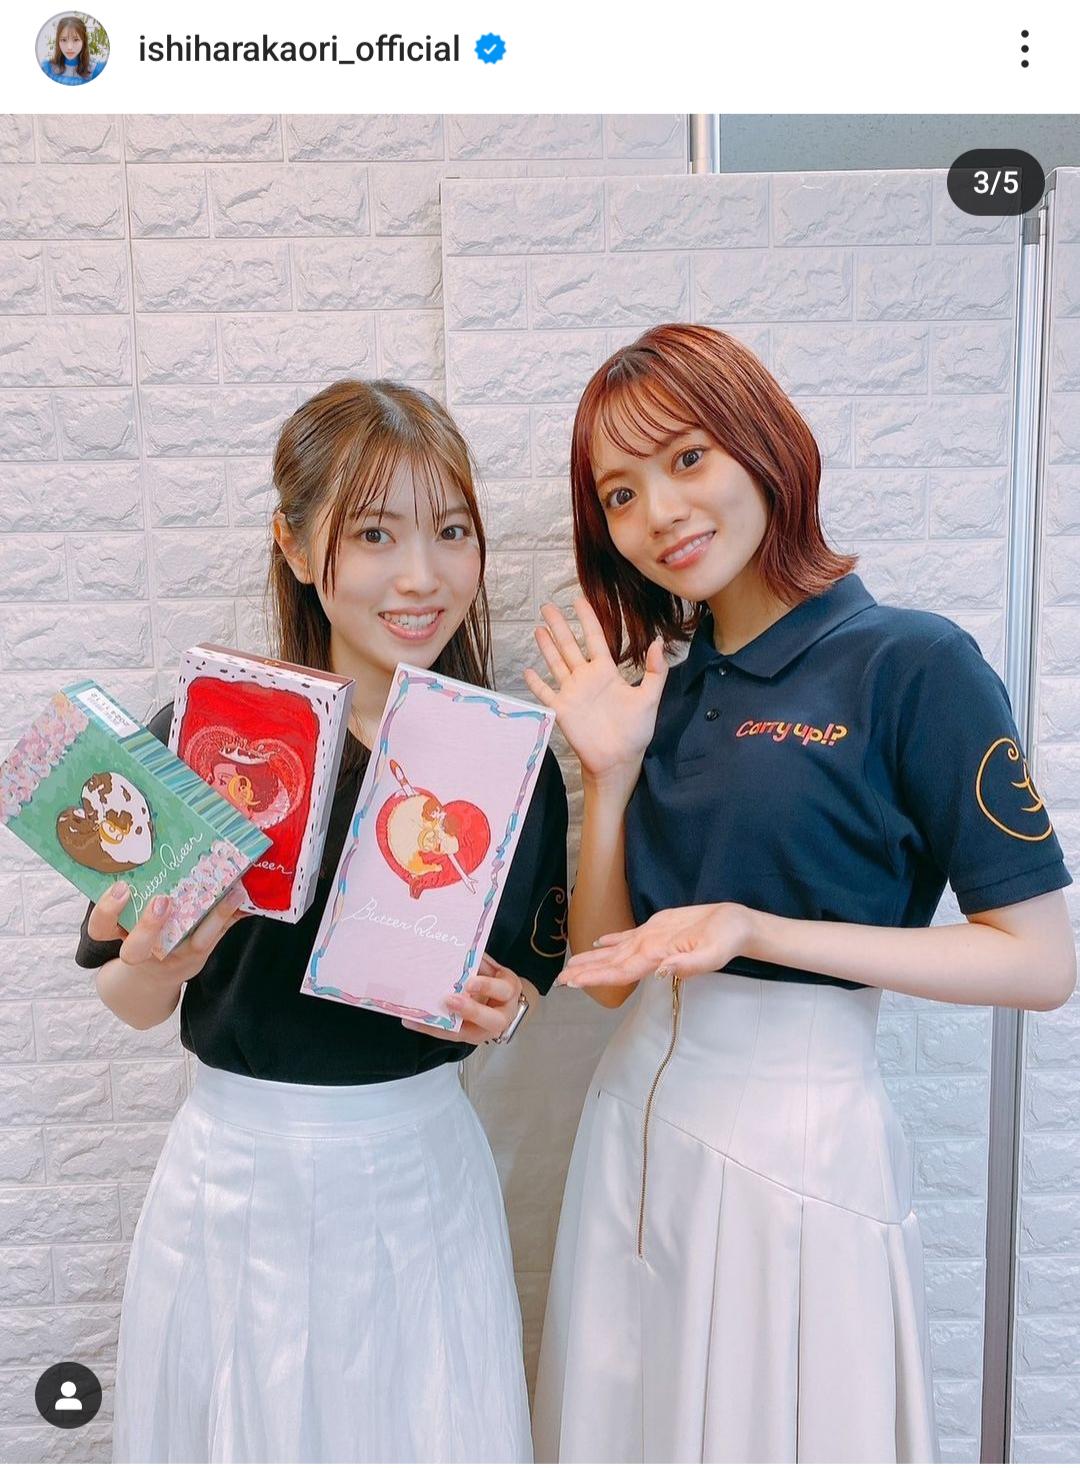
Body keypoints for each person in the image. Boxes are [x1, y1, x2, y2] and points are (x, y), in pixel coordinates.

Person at [526, 323, 1075, 1464]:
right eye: (620, 494)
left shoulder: (911, 662)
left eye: (686, 458)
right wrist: (609, 775)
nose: (659, 512)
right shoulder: (664, 688)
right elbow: (610, 977)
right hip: (632, 1132)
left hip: (800, 1143)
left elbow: (1038, 961)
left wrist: (757, 930)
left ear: (762, 444)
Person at [74, 380, 569, 1463]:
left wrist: (505, 1008)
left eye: (451, 532)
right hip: (236, 1173)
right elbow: (128, 996)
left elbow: (523, 977)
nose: (421, 576)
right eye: (376, 534)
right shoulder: (211, 732)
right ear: (296, 548)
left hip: (422, 1166)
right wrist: (161, 958)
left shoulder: (505, 758)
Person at [40, 16, 106, 84]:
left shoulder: (96, 70)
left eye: (76, 40)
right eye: (64, 40)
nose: (69, 47)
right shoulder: (47, 68)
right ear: (58, 41)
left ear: (83, 41)